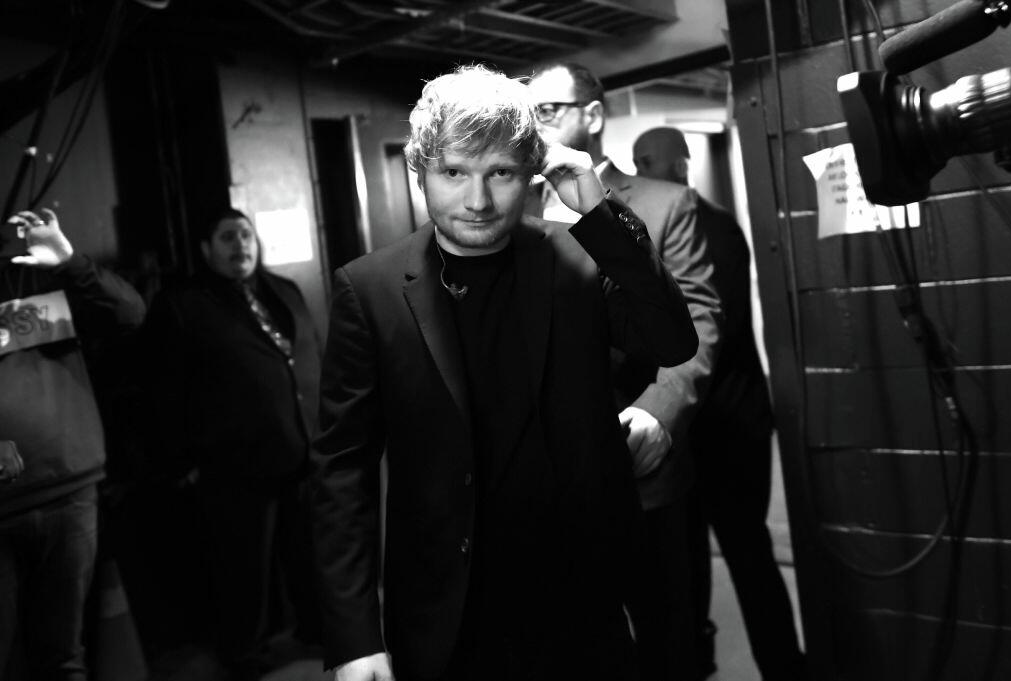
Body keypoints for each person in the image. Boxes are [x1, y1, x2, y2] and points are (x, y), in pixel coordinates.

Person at [311, 64, 698, 681]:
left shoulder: (575, 258)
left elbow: (671, 339)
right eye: (454, 173)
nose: (479, 200)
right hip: (447, 606)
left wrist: (597, 208)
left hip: (579, 593)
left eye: (501, 173)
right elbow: (342, 470)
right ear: (421, 173)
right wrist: (354, 635)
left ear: (531, 173)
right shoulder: (369, 289)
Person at [527, 64, 721, 680]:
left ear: (593, 113)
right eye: (530, 111)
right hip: (541, 478)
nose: (538, 123)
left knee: (667, 639)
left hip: (637, 453)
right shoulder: (507, 211)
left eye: (552, 108)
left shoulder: (666, 204)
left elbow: (700, 325)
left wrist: (657, 413)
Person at [633, 126, 807, 681]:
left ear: (683, 165)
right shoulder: (643, 229)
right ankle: (703, 659)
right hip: (690, 429)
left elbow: (709, 329)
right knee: (685, 572)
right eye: (639, 159)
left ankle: (782, 666)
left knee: (747, 555)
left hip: (728, 426)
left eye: (652, 160)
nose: (645, 170)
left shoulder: (711, 227)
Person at [142, 208, 322, 679]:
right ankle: (246, 652)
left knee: (308, 553)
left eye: (245, 235)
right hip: (234, 462)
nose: (239, 245)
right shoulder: (183, 304)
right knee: (244, 568)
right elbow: (165, 391)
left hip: (301, 448)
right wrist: (181, 458)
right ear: (205, 249)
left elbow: (311, 359)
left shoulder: (284, 290)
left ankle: (314, 627)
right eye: (226, 237)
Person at [0, 208, 146, 681]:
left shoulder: (29, 278)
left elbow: (129, 314)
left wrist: (67, 260)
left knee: (63, 659)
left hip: (68, 490)